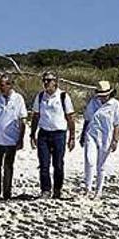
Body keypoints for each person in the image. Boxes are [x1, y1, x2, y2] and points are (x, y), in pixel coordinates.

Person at [30, 71, 75, 199]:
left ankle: (57, 189)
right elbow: (36, 116)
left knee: (58, 164)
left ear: (55, 81)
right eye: (44, 80)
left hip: (59, 134)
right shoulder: (40, 97)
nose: (46, 83)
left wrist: (72, 137)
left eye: (49, 80)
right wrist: (32, 134)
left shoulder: (63, 96)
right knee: (44, 164)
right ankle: (45, 190)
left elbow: (70, 118)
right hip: (43, 134)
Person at [0, 74, 27, 200]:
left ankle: (7, 193)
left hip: (11, 139)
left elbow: (22, 120)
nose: (1, 87)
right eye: (0, 85)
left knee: (8, 167)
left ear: (10, 85)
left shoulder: (18, 99)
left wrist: (21, 138)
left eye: (3, 85)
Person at [81, 80, 119, 199]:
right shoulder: (93, 102)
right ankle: (87, 189)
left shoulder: (115, 104)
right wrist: (82, 135)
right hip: (91, 134)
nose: (102, 97)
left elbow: (118, 123)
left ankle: (98, 191)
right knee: (89, 161)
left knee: (101, 165)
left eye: (104, 95)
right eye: (100, 95)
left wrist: (115, 140)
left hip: (106, 137)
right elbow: (87, 119)